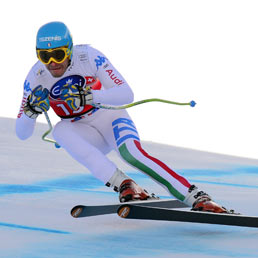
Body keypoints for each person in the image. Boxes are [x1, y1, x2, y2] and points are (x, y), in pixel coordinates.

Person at [16, 21, 228, 213]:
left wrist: (89, 96)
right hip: (83, 132)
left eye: (58, 55)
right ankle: (125, 184)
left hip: (108, 117)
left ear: (70, 49)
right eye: (45, 56)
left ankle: (196, 196)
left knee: (131, 154)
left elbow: (126, 93)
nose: (52, 63)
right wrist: (30, 112)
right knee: (60, 131)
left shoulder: (88, 56)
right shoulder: (35, 77)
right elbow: (22, 133)